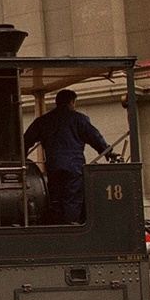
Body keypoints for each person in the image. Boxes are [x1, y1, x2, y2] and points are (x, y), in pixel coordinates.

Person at [24, 89, 111, 224]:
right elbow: (95, 137)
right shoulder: (80, 119)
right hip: (73, 166)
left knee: (55, 199)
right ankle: (71, 228)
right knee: (72, 199)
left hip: (53, 166)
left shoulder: (44, 120)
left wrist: (21, 156)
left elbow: (26, 140)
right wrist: (107, 151)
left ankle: (57, 228)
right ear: (71, 102)